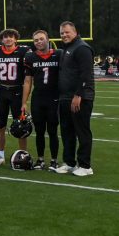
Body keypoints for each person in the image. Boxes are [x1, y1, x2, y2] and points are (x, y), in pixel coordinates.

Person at [55, 21, 95, 176]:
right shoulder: (68, 48)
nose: (64, 35)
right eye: (62, 33)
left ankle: (85, 166)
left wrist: (78, 94)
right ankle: (70, 163)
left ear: (75, 31)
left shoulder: (82, 48)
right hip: (65, 97)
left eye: (67, 32)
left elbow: (86, 74)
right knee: (67, 132)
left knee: (82, 131)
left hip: (79, 97)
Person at [22, 30, 61, 170]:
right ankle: (40, 159)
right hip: (38, 98)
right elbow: (27, 81)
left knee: (52, 131)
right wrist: (24, 102)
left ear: (48, 40)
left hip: (54, 98)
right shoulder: (30, 57)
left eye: (41, 39)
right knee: (39, 131)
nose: (39, 42)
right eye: (36, 40)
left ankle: (54, 160)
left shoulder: (58, 54)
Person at [0, 28, 30, 165]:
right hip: (2, 90)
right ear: (1, 39)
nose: (8, 39)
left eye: (11, 36)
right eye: (5, 37)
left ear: (16, 38)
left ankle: (23, 154)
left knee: (21, 125)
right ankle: (1, 155)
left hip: (17, 91)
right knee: (0, 125)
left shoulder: (23, 51)